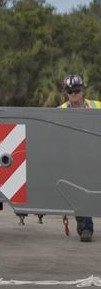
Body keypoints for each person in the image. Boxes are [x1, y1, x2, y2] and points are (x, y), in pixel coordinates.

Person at [58, 74, 100, 242]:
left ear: (83, 90)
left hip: (94, 155)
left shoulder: (97, 107)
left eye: (76, 90)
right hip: (73, 159)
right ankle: (85, 227)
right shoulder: (60, 112)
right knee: (79, 191)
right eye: (70, 91)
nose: (73, 94)